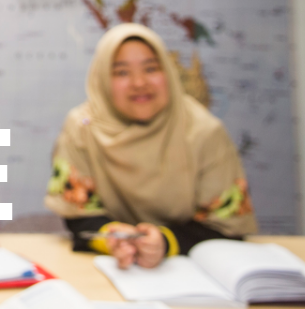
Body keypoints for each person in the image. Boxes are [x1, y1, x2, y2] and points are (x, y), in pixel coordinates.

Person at [46, 23, 256, 270]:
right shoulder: (82, 127)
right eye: (122, 72)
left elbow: (226, 226)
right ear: (102, 78)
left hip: (189, 274)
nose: (139, 82)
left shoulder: (204, 131)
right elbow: (79, 216)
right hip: (109, 270)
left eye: (151, 68)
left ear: (168, 72)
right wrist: (113, 240)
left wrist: (164, 243)